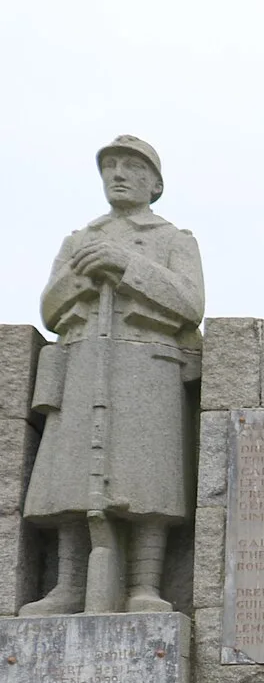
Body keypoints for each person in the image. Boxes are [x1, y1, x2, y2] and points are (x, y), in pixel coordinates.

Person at [21, 136, 204, 615]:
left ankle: (145, 585)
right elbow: (49, 309)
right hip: (82, 362)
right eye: (111, 167)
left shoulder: (173, 240)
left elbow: (190, 303)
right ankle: (68, 586)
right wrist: (85, 273)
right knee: (69, 476)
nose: (119, 174)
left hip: (149, 366)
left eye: (133, 167)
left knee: (148, 478)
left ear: (156, 183)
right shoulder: (80, 240)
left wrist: (126, 266)